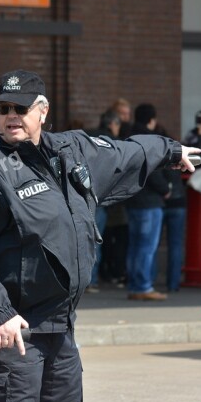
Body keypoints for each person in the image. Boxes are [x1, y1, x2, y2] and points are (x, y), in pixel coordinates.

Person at [0, 69, 199, 402]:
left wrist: (169, 150)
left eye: (20, 109)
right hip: (10, 333)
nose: (10, 116)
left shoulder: (69, 150)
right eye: (3, 109)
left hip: (60, 327)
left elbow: (122, 153)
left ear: (42, 112)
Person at [125, 104, 171, 301]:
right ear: (151, 120)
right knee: (147, 246)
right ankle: (143, 286)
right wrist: (165, 189)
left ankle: (135, 285)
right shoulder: (150, 140)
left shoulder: (127, 137)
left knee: (135, 245)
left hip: (132, 199)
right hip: (150, 201)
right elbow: (152, 170)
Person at [86, 110, 122, 293]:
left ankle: (83, 280)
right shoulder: (110, 143)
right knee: (95, 242)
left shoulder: (87, 136)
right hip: (99, 196)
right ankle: (91, 280)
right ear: (112, 124)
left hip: (82, 195)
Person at [152, 123, 187, 292]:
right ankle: (173, 284)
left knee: (153, 245)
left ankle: (149, 282)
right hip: (178, 201)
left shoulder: (155, 153)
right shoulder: (177, 150)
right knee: (175, 245)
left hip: (159, 200)